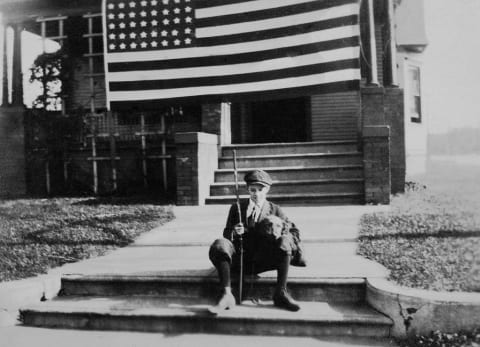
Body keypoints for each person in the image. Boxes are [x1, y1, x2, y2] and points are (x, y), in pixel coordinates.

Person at [208, 169, 305, 314]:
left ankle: (281, 293)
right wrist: (234, 231)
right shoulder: (236, 208)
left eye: (261, 190)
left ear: (267, 190)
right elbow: (227, 233)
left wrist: (279, 232)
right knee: (220, 244)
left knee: (285, 241)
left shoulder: (275, 210)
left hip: (264, 259)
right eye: (253, 190)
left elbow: (295, 233)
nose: (256, 194)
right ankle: (226, 294)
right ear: (247, 189)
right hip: (241, 258)